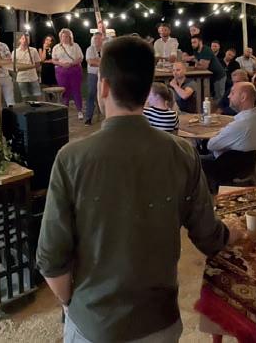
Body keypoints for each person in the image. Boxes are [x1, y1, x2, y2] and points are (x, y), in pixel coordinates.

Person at [36, 36, 242, 343]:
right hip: (159, 322)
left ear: (103, 87)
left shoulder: (71, 158)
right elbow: (209, 237)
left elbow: (51, 259)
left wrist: (71, 304)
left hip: (94, 324)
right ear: (147, 91)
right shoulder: (182, 153)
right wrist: (232, 232)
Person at [206, 82, 256, 159]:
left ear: (243, 97)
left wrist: (219, 132)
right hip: (249, 162)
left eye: (232, 93)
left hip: (223, 164)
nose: (228, 96)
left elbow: (211, 145)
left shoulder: (240, 125)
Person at [52, 28, 84, 119]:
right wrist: (61, 64)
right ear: (60, 37)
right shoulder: (56, 47)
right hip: (61, 71)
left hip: (74, 70)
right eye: (63, 36)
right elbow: (54, 60)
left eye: (67, 36)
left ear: (70, 37)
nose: (65, 38)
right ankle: (64, 110)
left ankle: (79, 110)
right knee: (64, 91)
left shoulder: (75, 46)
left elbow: (80, 58)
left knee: (76, 90)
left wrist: (71, 64)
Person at [189, 35, 226, 100]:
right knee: (213, 97)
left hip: (219, 76)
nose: (192, 44)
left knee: (220, 97)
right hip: (211, 76)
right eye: (192, 43)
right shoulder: (196, 50)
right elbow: (197, 62)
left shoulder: (206, 50)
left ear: (200, 42)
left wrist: (196, 64)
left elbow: (204, 66)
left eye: (194, 42)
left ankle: (224, 107)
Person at [13, 33, 42, 101]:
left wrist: (32, 68)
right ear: (20, 40)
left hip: (33, 77)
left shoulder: (33, 50)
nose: (25, 40)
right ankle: (27, 107)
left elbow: (38, 63)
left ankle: (38, 108)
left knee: (37, 95)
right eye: (23, 39)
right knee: (25, 96)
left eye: (27, 39)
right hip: (21, 78)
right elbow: (13, 65)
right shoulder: (15, 52)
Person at [84, 32, 103, 125]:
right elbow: (91, 62)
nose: (97, 40)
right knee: (91, 94)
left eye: (99, 38)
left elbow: (110, 61)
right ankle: (88, 117)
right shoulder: (90, 49)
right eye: (95, 38)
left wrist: (97, 61)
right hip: (93, 74)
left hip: (104, 74)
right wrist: (102, 62)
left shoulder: (106, 49)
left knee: (106, 94)